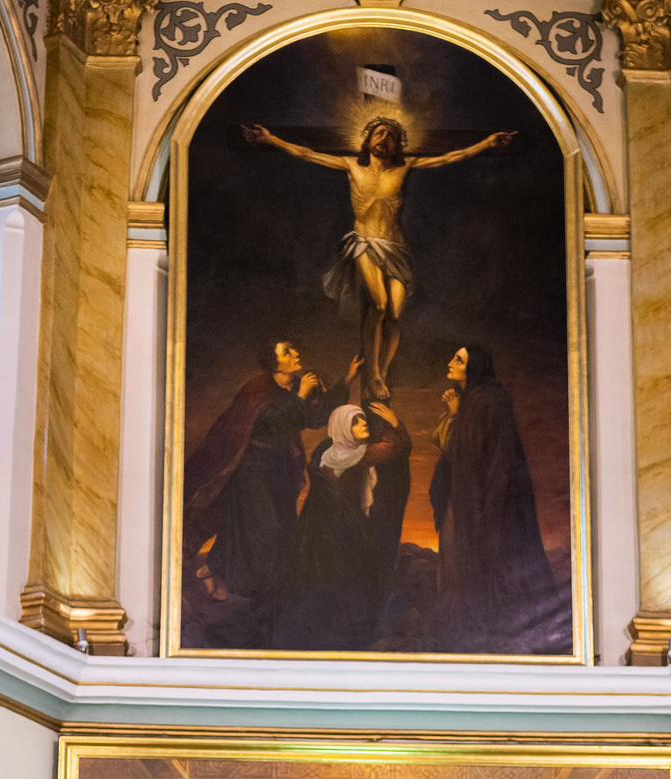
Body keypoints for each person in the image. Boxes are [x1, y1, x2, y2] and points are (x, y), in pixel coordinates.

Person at [239, 118, 516, 400]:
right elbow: (306, 153)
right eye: (379, 133)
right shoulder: (351, 165)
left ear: (397, 145)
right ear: (368, 139)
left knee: (394, 314)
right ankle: (372, 375)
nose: (384, 138)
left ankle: (381, 370)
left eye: (391, 136)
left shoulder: (405, 166)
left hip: (397, 247)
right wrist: (269, 139)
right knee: (380, 304)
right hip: (365, 243)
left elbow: (449, 157)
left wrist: (487, 143)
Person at [183, 338, 328, 643]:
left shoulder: (294, 386)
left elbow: (313, 419)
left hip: (279, 469)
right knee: (265, 530)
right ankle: (236, 581)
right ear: (275, 363)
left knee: (282, 533)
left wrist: (345, 382)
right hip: (253, 468)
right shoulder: (258, 388)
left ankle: (226, 576)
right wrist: (300, 396)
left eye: (293, 348)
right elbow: (269, 423)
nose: (295, 353)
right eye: (287, 351)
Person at [428, 344, 569, 654]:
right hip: (475, 499)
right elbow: (462, 452)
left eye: (459, 360)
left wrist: (455, 415)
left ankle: (490, 626)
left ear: (473, 367)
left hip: (491, 501)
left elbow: (478, 454)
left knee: (493, 561)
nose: (451, 362)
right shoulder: (476, 400)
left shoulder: (488, 401)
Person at [272, 394, 412, 651]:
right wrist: (394, 422)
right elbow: (394, 446)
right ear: (343, 428)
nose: (363, 424)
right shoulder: (358, 455)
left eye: (362, 419)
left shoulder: (326, 454)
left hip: (322, 530)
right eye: (355, 421)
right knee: (348, 581)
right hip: (343, 530)